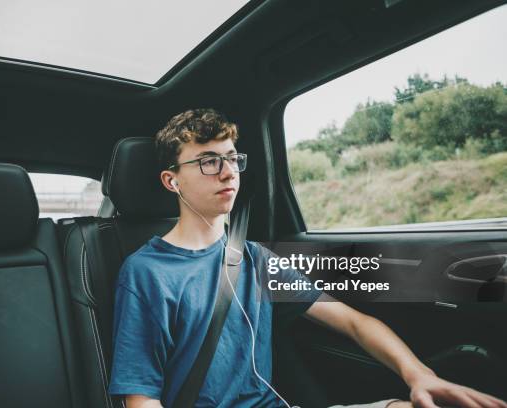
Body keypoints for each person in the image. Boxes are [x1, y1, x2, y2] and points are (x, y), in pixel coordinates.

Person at [107, 108, 507, 408]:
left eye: (232, 158)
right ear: (172, 179)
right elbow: (140, 397)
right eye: (209, 161)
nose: (228, 172)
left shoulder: (255, 259)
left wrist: (420, 375)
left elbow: (353, 320)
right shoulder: (147, 273)